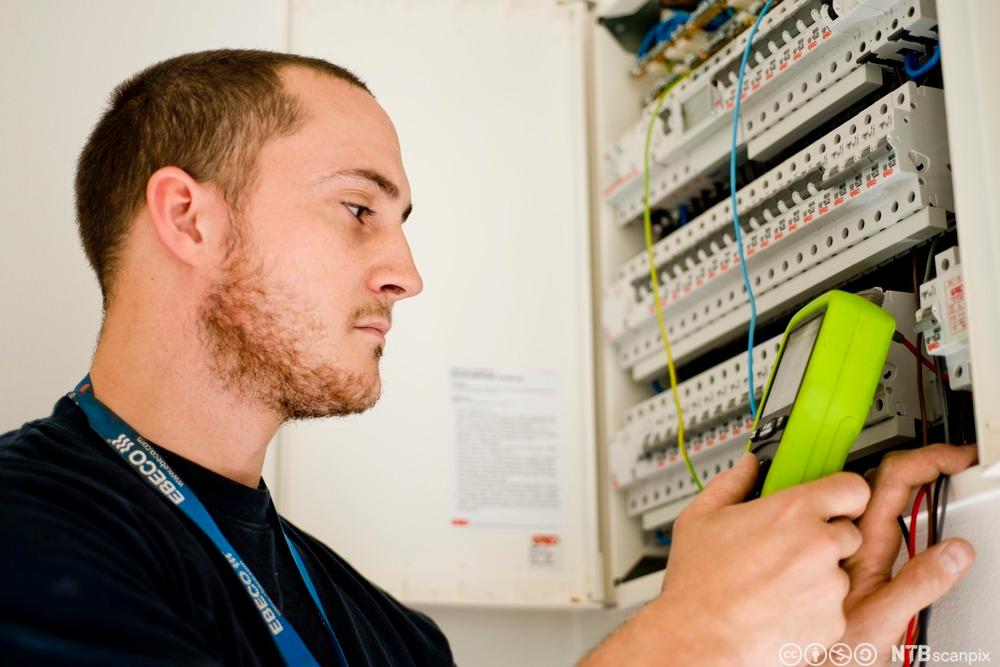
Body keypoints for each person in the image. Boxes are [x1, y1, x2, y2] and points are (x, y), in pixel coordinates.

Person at [0, 49, 977, 667]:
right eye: (357, 209)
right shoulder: (26, 534)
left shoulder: (392, 638)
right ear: (188, 217)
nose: (406, 273)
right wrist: (687, 642)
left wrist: (788, 652)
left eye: (400, 222)